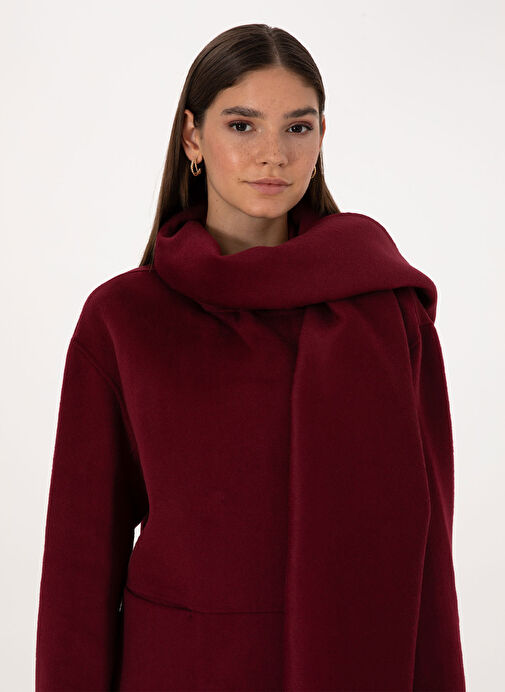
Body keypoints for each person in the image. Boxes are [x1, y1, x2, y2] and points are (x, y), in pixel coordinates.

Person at [35, 23, 466, 692]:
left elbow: (429, 555)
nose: (273, 154)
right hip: (179, 673)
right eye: (242, 125)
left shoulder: (386, 311)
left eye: (298, 128)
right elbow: (78, 565)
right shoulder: (122, 318)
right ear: (192, 137)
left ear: (322, 137)